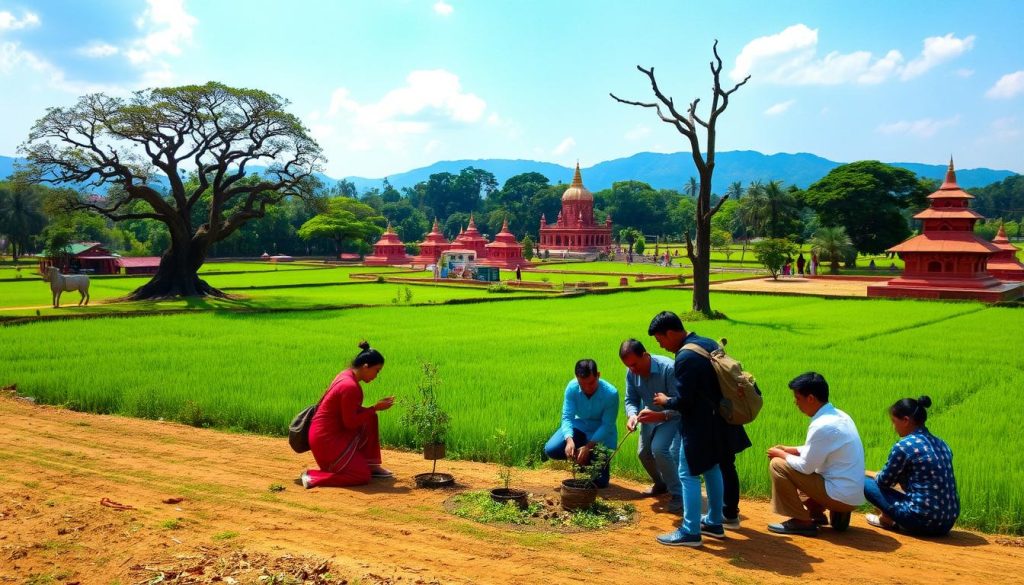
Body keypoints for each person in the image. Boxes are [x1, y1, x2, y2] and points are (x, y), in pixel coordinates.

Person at [649, 312, 751, 547]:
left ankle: (690, 530)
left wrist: (666, 400)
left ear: (672, 333)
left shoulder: (685, 357)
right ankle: (715, 521)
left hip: (699, 425)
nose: (661, 345)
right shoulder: (707, 343)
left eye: (660, 339)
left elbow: (685, 401)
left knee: (688, 474)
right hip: (719, 420)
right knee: (712, 467)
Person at [767, 372, 865, 536]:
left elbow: (805, 467)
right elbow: (822, 448)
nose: (795, 403)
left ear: (811, 398)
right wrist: (795, 450)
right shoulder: (841, 416)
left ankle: (801, 521)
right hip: (852, 495)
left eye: (798, 398)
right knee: (802, 462)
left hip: (838, 496)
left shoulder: (821, 425)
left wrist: (781, 454)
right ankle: (817, 512)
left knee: (778, 465)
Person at [300, 342, 395, 488]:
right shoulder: (350, 387)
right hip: (327, 440)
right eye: (377, 371)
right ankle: (313, 477)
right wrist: (375, 407)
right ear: (365, 366)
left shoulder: (346, 375)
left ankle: (372, 465)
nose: (377, 376)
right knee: (361, 475)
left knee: (370, 418)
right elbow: (350, 423)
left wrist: (372, 410)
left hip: (324, 434)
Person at [864, 396, 959, 536]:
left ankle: (888, 520)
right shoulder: (943, 444)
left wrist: (868, 472)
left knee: (864, 482)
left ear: (906, 420)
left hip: (921, 521)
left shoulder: (904, 446)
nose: (893, 427)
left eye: (894, 422)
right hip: (947, 524)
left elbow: (884, 481)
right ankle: (889, 518)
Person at [619, 339, 682, 512]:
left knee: (660, 449)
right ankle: (660, 484)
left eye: (635, 364)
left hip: (672, 417)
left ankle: (678, 494)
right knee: (643, 453)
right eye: (628, 366)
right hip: (649, 416)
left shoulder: (668, 368)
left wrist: (660, 415)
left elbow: (681, 405)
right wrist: (632, 416)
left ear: (645, 355)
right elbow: (631, 399)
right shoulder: (631, 372)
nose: (633, 369)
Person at [543, 359, 619, 488]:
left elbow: (607, 425)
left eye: (591, 383)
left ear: (598, 375)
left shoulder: (611, 393)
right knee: (552, 449)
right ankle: (580, 460)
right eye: (582, 384)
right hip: (580, 427)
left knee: (600, 483)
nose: (586, 388)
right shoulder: (572, 388)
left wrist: (588, 447)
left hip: (601, 434)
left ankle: (587, 459)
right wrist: (569, 440)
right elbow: (567, 417)